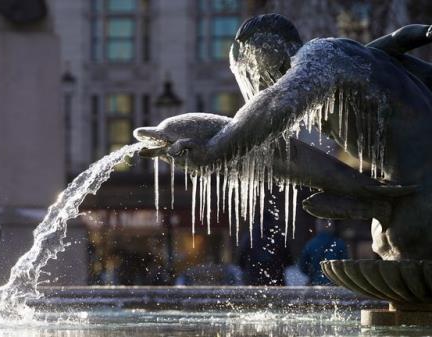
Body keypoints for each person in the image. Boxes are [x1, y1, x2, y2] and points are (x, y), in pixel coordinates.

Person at [139, 14, 432, 261]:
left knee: (403, 245)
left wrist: (216, 149)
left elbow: (275, 102)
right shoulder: (341, 57)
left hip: (423, 175)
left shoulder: (318, 58)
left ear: (270, 48)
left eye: (252, 69)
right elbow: (393, 43)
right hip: (407, 176)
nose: (257, 81)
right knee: (390, 246)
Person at [238, 212, 294, 286]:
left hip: (253, 279)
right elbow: (289, 261)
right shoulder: (279, 236)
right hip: (276, 280)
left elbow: (241, 260)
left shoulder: (250, 237)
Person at [299, 219, 348, 285]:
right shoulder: (339, 244)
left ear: (317, 226)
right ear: (332, 226)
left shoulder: (310, 244)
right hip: (335, 283)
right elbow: (345, 266)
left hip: (316, 282)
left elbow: (303, 266)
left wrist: (313, 274)